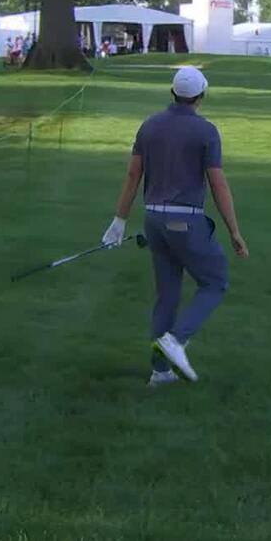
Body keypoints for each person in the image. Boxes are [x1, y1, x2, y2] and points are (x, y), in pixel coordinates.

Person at [104, 66, 247, 386]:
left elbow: (133, 175)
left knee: (167, 294)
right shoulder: (206, 131)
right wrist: (234, 231)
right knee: (215, 281)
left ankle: (160, 372)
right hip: (185, 220)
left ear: (173, 93)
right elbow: (218, 184)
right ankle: (177, 340)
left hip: (153, 220)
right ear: (200, 96)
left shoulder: (149, 126)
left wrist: (119, 219)